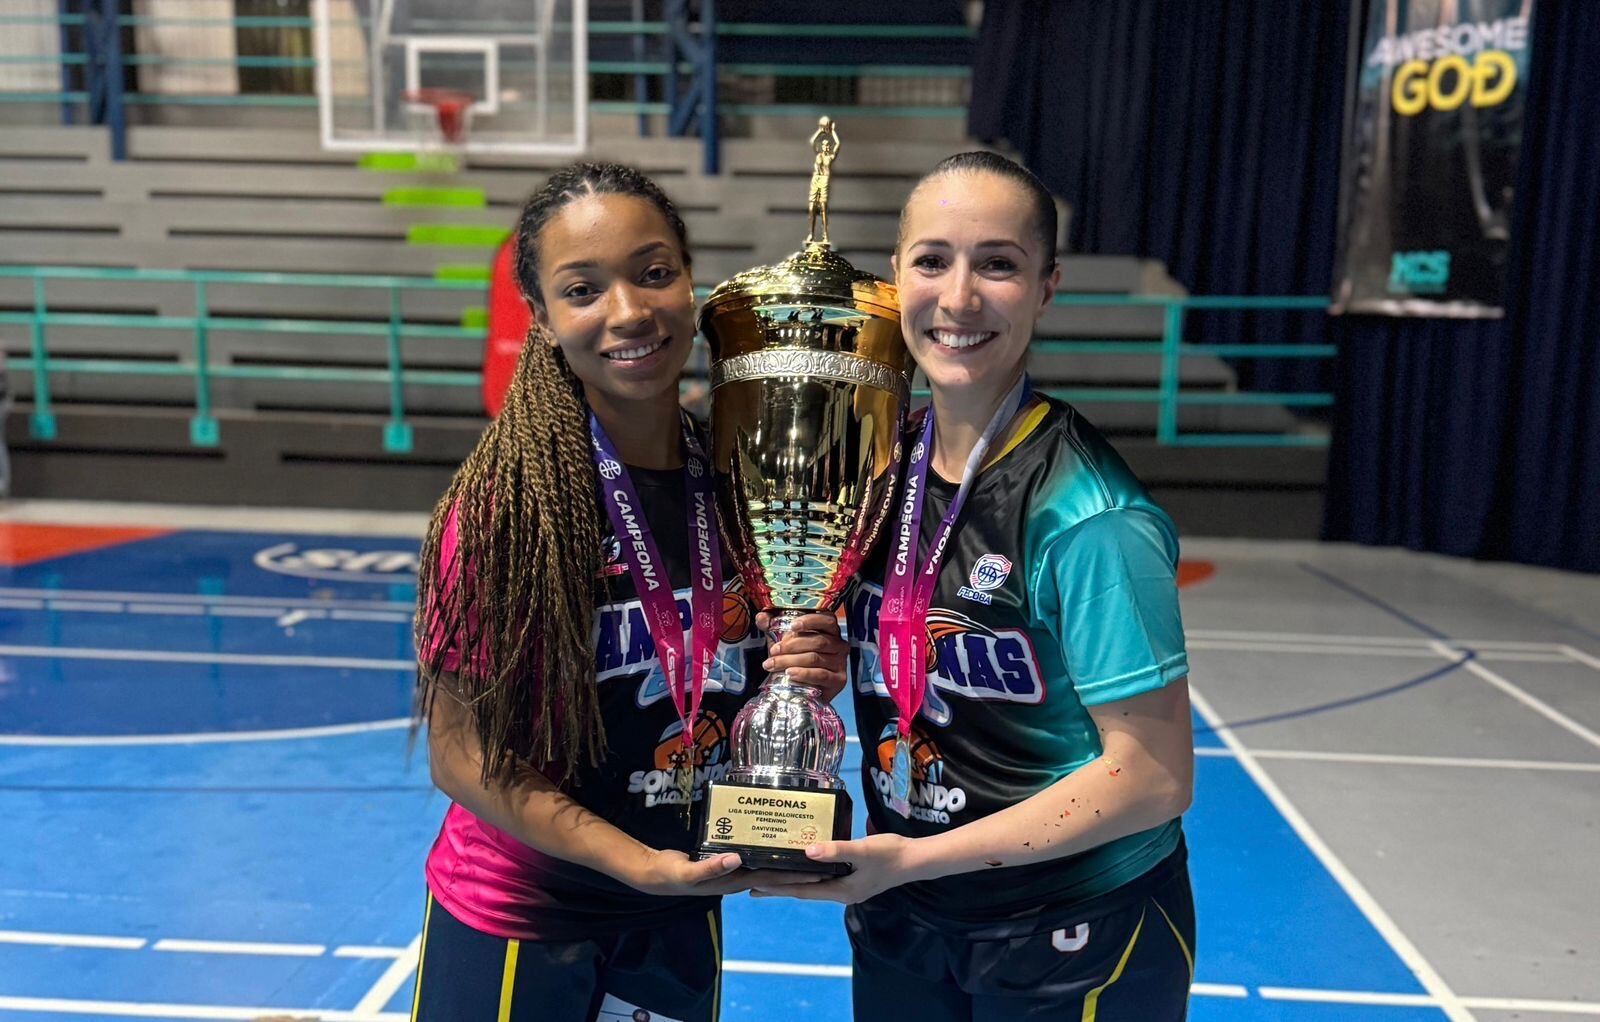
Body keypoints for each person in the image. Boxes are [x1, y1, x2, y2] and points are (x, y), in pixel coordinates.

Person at [756, 152, 1198, 1019]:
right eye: (933, 260)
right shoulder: (880, 471)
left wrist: (911, 859)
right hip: (908, 920)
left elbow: (1152, 777)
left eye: (998, 263)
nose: (959, 298)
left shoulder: (1089, 514)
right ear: (894, 279)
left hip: (1072, 932)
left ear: (1046, 288)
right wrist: (828, 659)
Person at [411, 162, 847, 1021]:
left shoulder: (746, 484)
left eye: (654, 273)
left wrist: (802, 671)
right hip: (524, 916)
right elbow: (457, 752)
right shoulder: (508, 508)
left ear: (692, 282)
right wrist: (629, 860)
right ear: (540, 320)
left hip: (681, 900)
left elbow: (743, 676)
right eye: (583, 289)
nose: (628, 312)